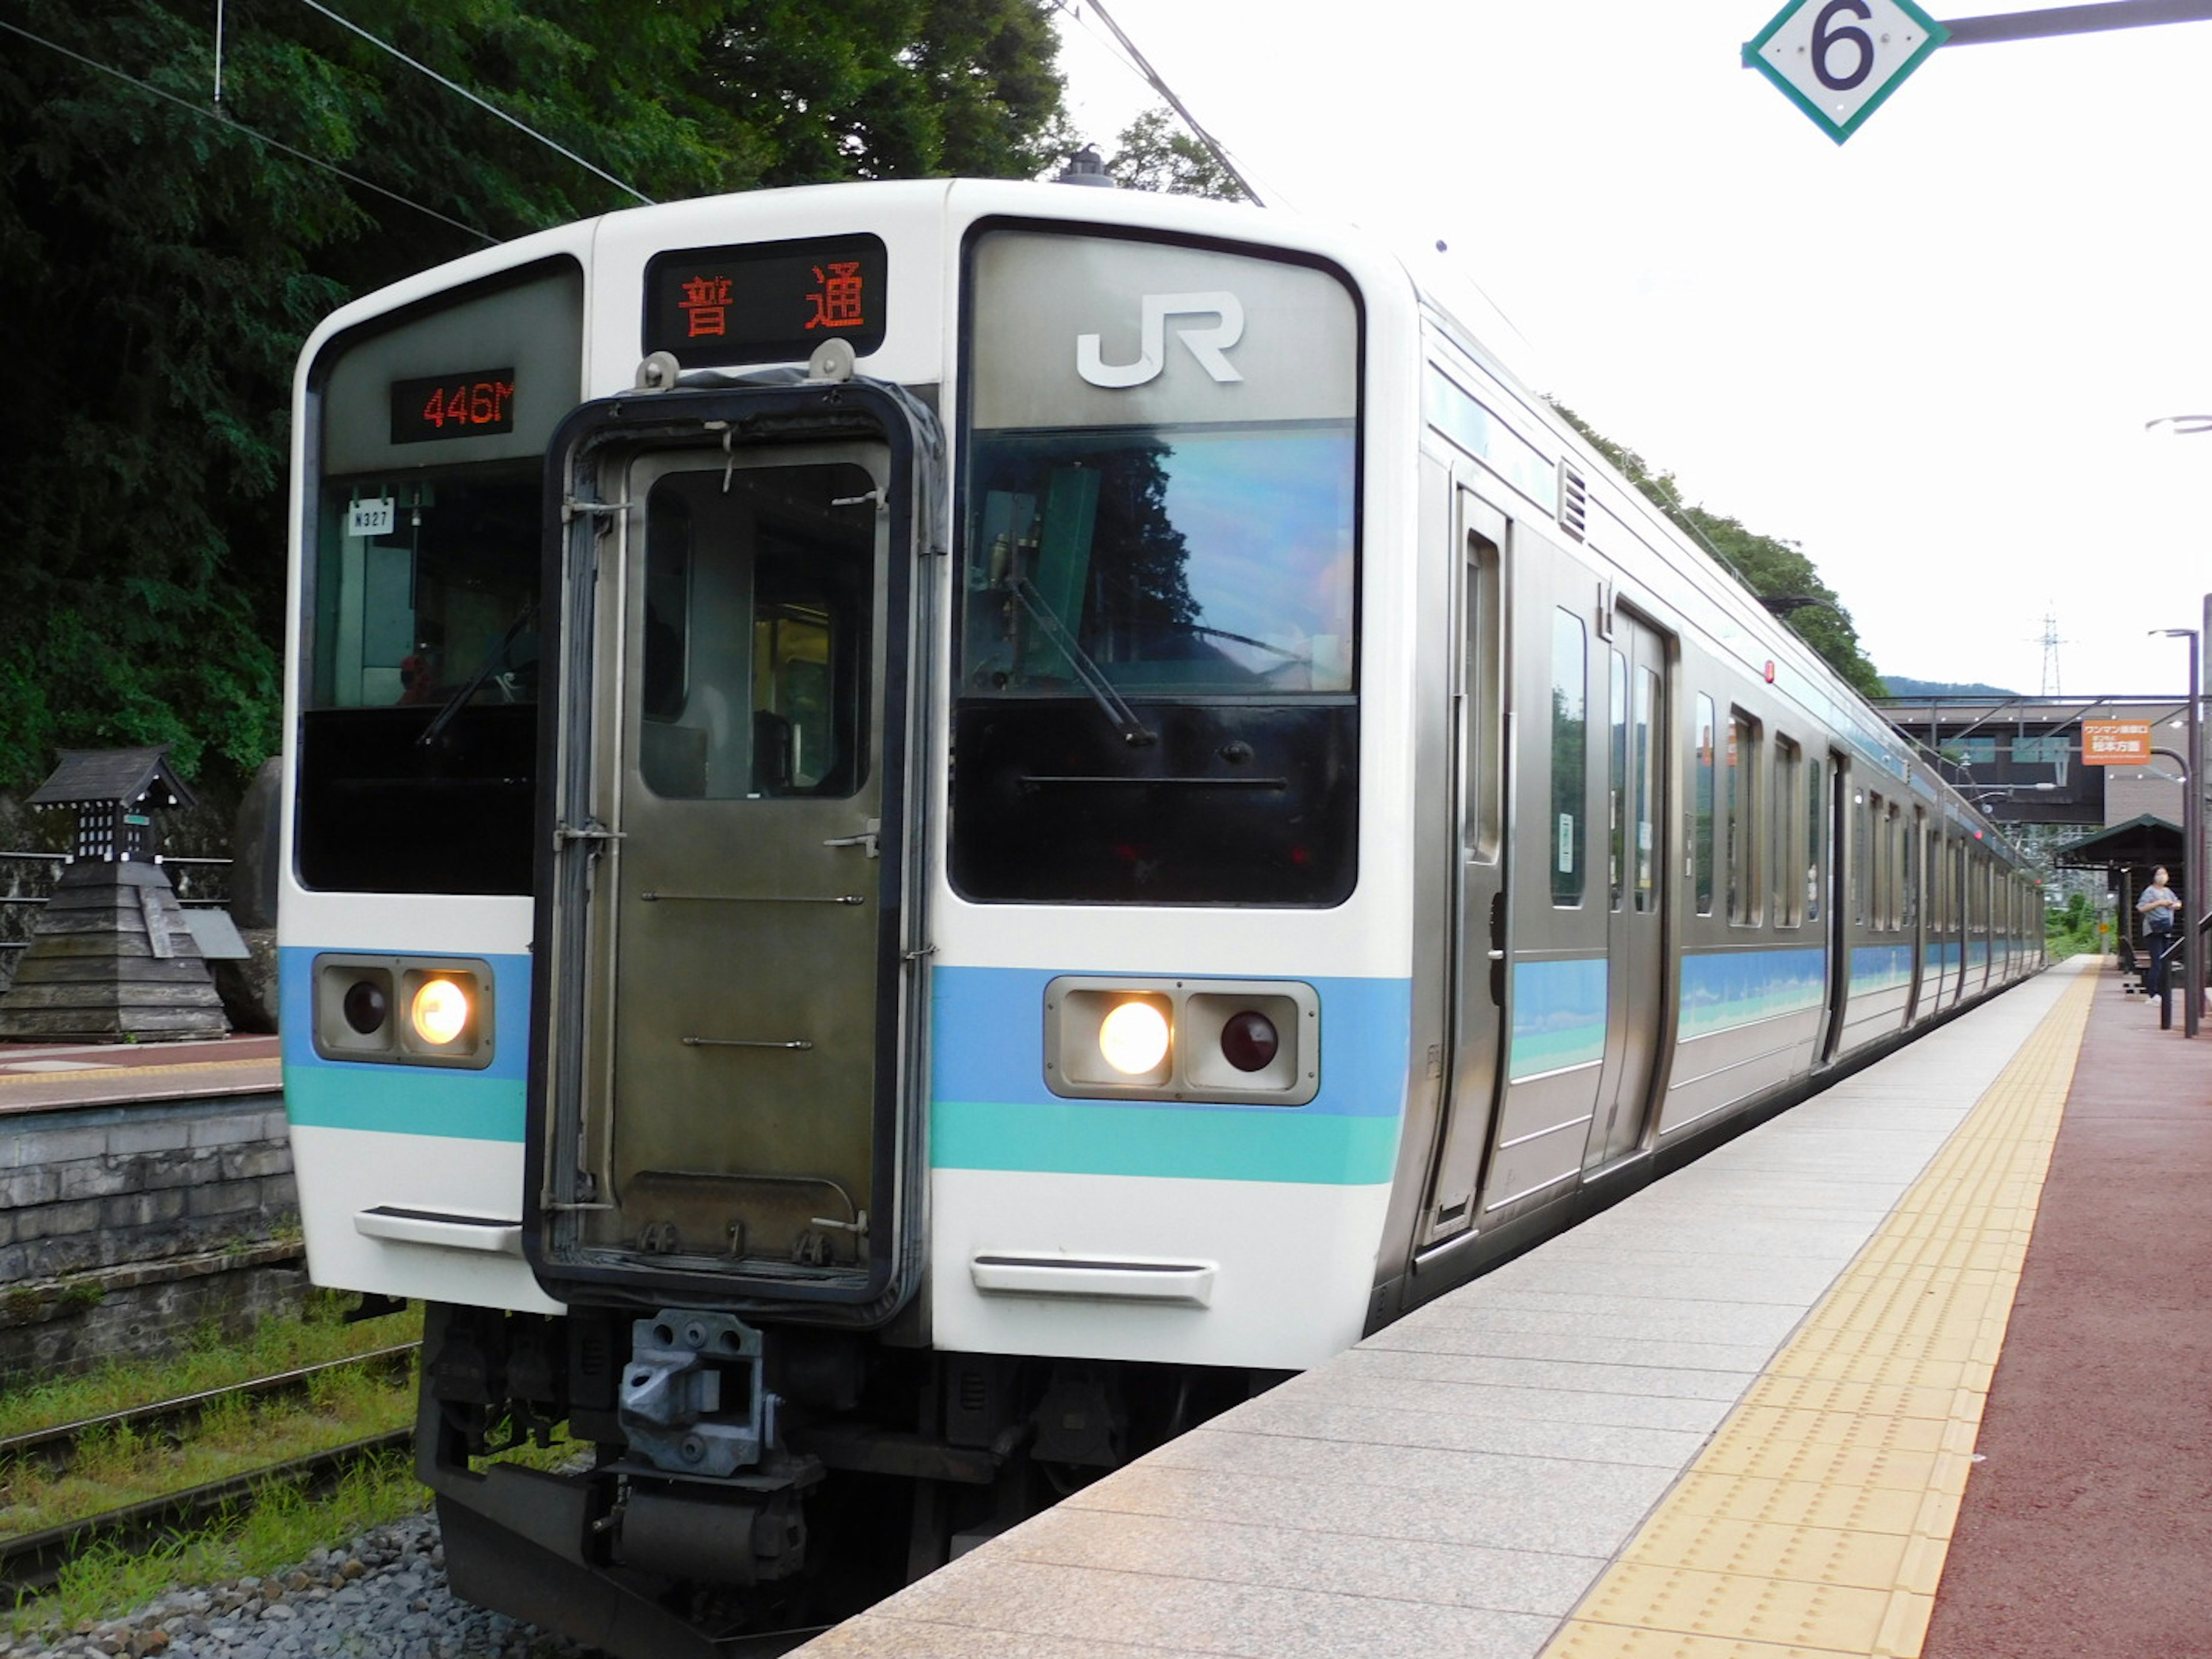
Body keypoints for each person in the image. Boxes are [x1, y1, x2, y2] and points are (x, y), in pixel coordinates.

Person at [2137, 868, 2181, 998]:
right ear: (2154, 877)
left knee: (2165, 961)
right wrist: (2159, 903)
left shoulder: (2168, 891)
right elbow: (2141, 907)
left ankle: (2163, 991)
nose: (2163, 877)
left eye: (2165, 874)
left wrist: (2175, 905)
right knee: (2157, 961)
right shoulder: (2149, 892)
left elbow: (2178, 902)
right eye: (2160, 874)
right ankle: (2153, 992)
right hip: (2153, 930)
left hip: (2166, 929)